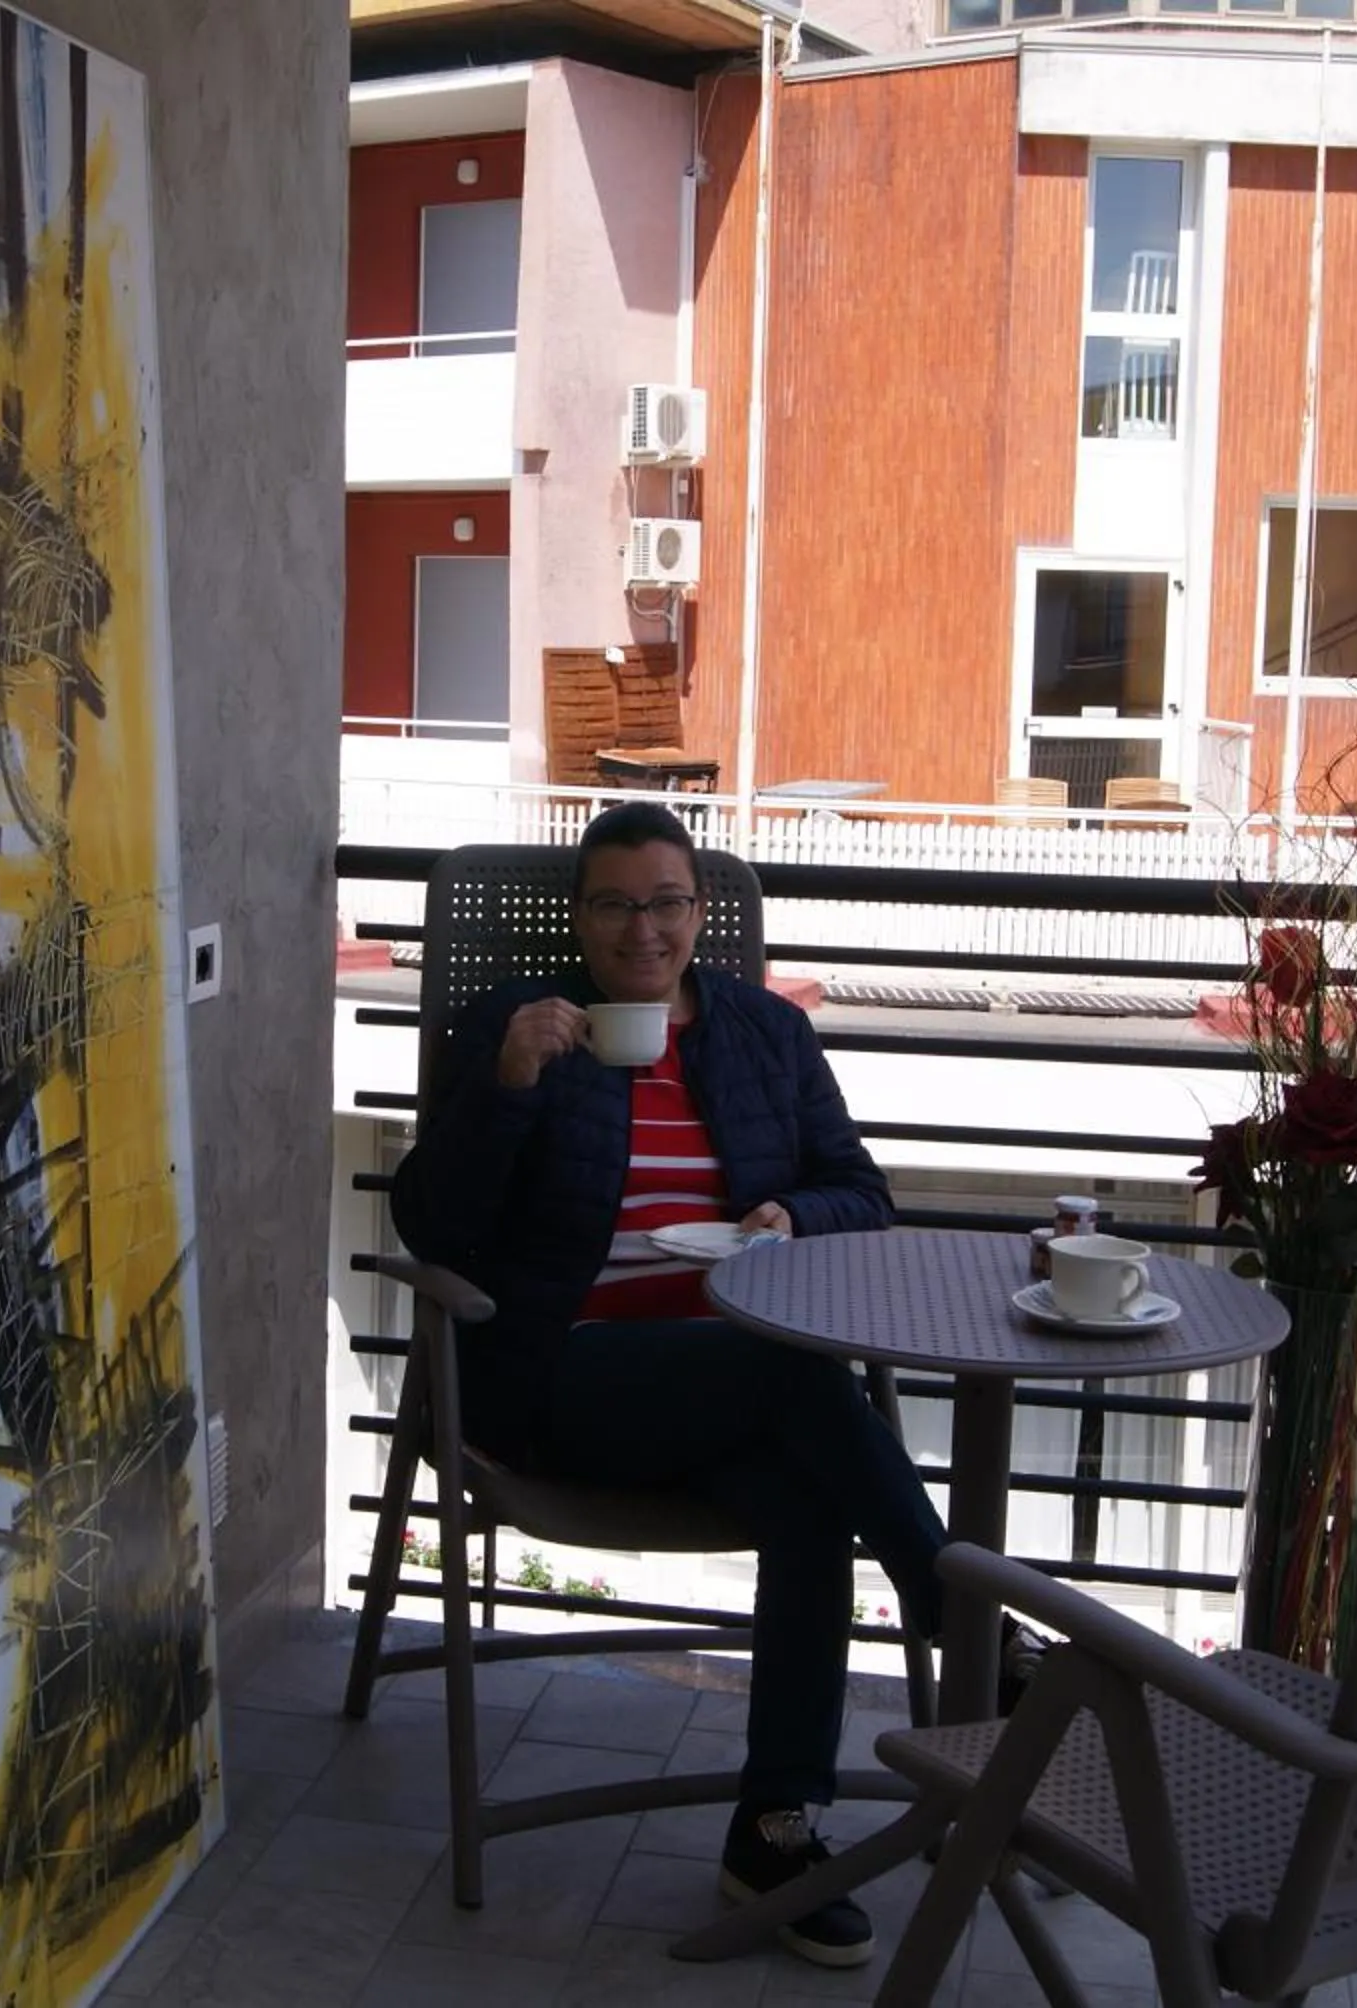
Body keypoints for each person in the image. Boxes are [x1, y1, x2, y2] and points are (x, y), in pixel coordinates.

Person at [389, 800, 953, 1970]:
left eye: (667, 902)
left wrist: (791, 1210)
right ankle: (969, 1626)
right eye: (614, 904)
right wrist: (503, 1087)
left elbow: (862, 1190)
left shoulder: (762, 1033)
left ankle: (773, 1836)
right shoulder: (517, 1027)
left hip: (726, 1379)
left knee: (808, 1504)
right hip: (561, 1376)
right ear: (580, 918)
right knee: (794, 1383)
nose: (643, 929)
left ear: (699, 913)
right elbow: (433, 1223)